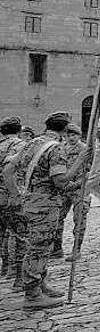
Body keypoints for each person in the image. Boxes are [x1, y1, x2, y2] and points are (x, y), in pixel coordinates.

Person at [3, 111, 88, 309]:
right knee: (39, 248)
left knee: (39, 246)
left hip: (29, 202)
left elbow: (8, 170)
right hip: (45, 205)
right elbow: (60, 180)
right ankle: (32, 295)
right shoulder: (55, 148)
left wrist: (16, 194)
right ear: (65, 129)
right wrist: (80, 160)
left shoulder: (31, 143)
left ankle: (40, 284)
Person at [52, 123, 87, 260]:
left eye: (74, 135)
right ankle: (56, 248)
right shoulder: (61, 149)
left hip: (80, 188)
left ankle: (76, 249)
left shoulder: (85, 149)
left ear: (79, 135)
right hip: (64, 189)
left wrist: (79, 182)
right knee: (57, 219)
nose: (71, 138)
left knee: (79, 219)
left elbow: (91, 169)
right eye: (68, 135)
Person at [0, 116, 26, 286]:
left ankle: (5, 268)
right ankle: (18, 276)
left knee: (2, 234)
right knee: (20, 236)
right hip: (13, 196)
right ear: (19, 130)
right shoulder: (21, 146)